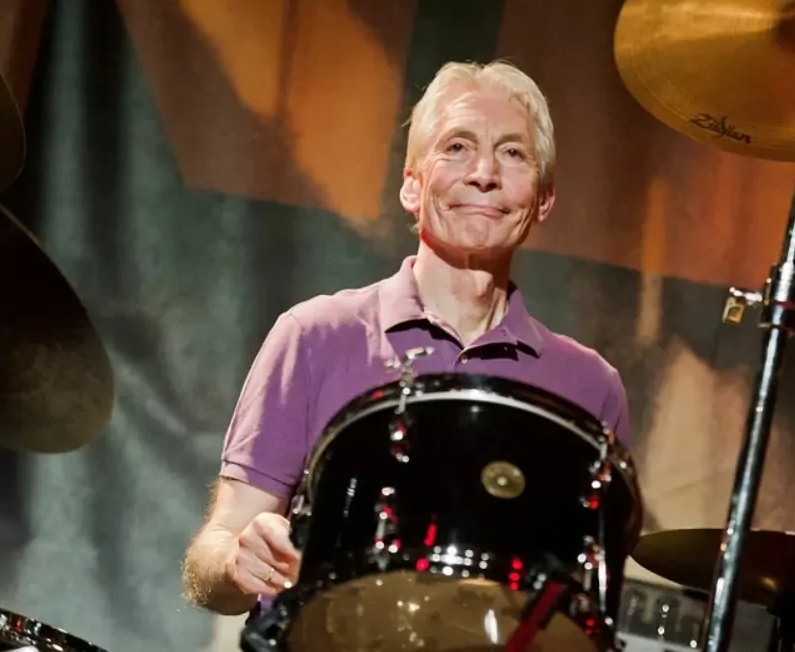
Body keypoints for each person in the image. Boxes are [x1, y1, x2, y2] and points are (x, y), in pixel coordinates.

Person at [181, 59, 631, 617]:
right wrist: (235, 561)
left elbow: (588, 602)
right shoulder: (315, 336)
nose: (484, 173)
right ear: (412, 186)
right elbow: (213, 555)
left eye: (514, 153)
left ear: (543, 198)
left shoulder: (592, 388)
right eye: (457, 147)